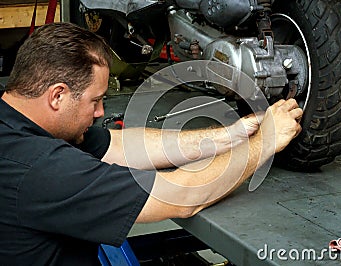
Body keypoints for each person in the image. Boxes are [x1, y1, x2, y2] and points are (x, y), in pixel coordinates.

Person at [0, 22, 303, 265]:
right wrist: (265, 142)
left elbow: (118, 145)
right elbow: (182, 197)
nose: (101, 112)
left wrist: (228, 136)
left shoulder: (17, 119)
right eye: (96, 100)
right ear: (57, 96)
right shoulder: (39, 169)